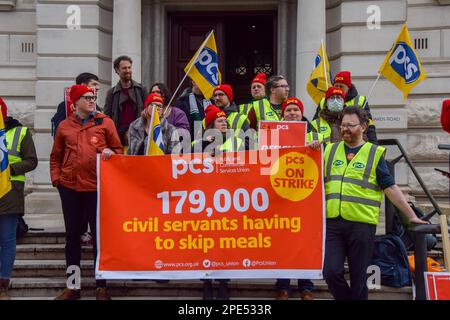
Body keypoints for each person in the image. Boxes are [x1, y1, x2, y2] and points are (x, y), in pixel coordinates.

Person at [322, 106, 426, 300]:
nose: (344, 129)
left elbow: (391, 188)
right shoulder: (329, 149)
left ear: (363, 127)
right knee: (330, 271)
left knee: (359, 278)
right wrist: (310, 146)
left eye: (350, 125)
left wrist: (411, 216)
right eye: (343, 125)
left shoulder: (374, 153)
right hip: (333, 224)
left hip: (362, 225)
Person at [50, 85, 123, 300]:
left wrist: (112, 153)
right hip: (70, 189)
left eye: (93, 97)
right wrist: (56, 179)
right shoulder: (64, 126)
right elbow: (56, 156)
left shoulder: (105, 122)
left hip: (96, 189)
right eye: (87, 97)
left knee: (100, 238)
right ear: (75, 103)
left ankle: (102, 287)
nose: (92, 101)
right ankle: (73, 287)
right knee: (72, 237)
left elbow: (119, 150)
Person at [274, 97, 320, 300]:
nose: (292, 113)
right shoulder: (274, 133)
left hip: (306, 195)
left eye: (296, 110)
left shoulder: (314, 134)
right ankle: (283, 286)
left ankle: (306, 287)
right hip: (281, 194)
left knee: (305, 242)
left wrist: (317, 148)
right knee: (284, 242)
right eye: (288, 110)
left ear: (302, 113)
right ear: (283, 114)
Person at [0, 98, 38, 300]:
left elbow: (31, 161)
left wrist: (10, 169)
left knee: (7, 241)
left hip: (10, 193)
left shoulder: (20, 132)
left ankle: (3, 285)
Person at [313, 71, 378, 144]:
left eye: (341, 86)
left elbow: (368, 125)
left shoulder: (360, 100)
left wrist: (374, 144)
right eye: (336, 86)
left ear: (348, 87)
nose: (338, 89)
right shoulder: (323, 101)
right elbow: (315, 123)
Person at [104, 55, 148, 148]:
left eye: (129, 67)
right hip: (118, 135)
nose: (128, 70)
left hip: (139, 133)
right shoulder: (111, 93)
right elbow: (107, 116)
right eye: (124, 68)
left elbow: (148, 111)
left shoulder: (141, 90)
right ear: (117, 70)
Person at [51, 73, 102, 137]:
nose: (98, 88)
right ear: (83, 85)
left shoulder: (95, 107)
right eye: (94, 84)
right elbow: (58, 133)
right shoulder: (65, 106)